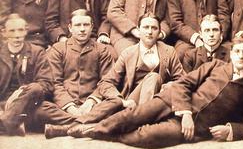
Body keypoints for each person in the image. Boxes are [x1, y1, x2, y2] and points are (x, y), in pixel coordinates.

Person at [59, 35, 243, 149]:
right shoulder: (215, 66)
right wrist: (184, 113)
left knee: (148, 136)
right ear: (231, 53)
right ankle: (84, 129)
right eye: (237, 51)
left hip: (196, 127)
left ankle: (102, 133)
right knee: (133, 116)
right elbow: (183, 84)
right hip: (172, 101)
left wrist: (231, 130)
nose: (240, 56)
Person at [44, 14, 184, 138]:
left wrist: (168, 86)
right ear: (138, 30)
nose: (149, 32)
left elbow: (183, 80)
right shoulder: (128, 53)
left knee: (153, 77)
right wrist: (120, 99)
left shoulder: (168, 51)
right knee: (113, 103)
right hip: (133, 102)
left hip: (157, 101)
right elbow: (106, 82)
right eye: (145, 27)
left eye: (154, 28)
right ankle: (136, 124)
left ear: (159, 32)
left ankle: (71, 128)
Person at [34, 9, 114, 127]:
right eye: (78, 25)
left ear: (92, 27)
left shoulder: (102, 50)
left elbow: (106, 81)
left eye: (86, 25)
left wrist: (91, 101)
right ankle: (87, 124)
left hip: (93, 106)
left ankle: (69, 126)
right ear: (70, 28)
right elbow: (55, 83)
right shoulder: (58, 49)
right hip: (64, 106)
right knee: (40, 109)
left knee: (115, 103)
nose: (82, 29)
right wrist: (70, 107)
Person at [0, 14, 52, 135]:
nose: (17, 35)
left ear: (26, 31)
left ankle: (5, 123)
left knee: (37, 89)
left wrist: (22, 91)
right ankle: (15, 123)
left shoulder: (37, 52)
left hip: (29, 103)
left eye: (20, 30)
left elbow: (46, 84)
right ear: (3, 33)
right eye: (12, 31)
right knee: (46, 114)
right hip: (3, 103)